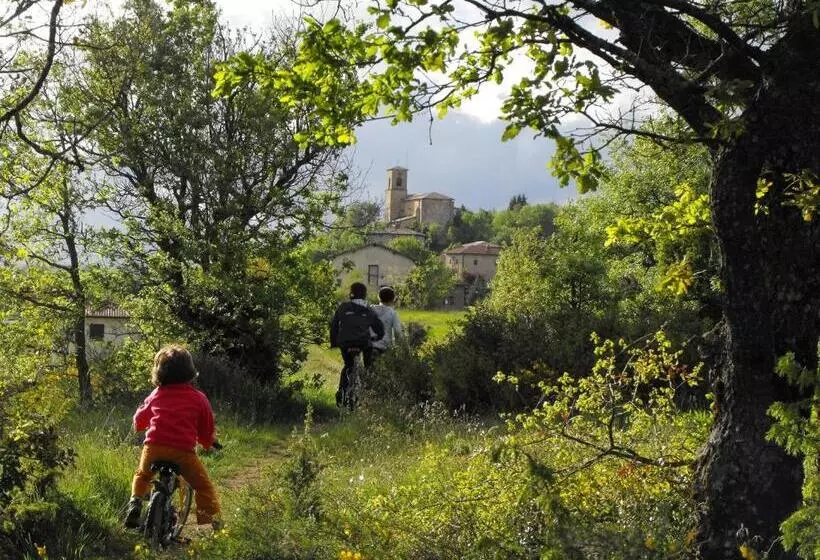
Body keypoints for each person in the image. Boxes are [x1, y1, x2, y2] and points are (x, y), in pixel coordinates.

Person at [123, 344, 222, 531]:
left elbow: (139, 419)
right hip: (182, 453)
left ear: (159, 373)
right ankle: (211, 524)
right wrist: (208, 442)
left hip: (153, 448)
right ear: (190, 372)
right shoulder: (199, 398)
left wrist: (139, 425)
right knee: (203, 486)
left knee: (143, 475)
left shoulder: (156, 394)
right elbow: (206, 428)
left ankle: (135, 502)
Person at [329, 282, 384, 406]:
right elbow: (379, 328)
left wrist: (334, 342)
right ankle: (369, 393)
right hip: (363, 343)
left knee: (348, 365)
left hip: (346, 343)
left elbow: (333, 326)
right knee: (368, 366)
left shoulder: (343, 307)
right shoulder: (368, 310)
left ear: (351, 294)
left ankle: (341, 393)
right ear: (365, 295)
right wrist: (377, 337)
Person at [371, 285, 403, 355]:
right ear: (393, 299)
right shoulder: (393, 313)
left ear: (378, 297)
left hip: (368, 347)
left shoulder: (370, 309)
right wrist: (400, 348)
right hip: (384, 349)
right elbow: (397, 332)